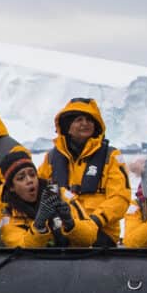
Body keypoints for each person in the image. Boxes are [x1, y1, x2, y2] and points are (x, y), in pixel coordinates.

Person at [43, 97, 131, 236]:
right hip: (63, 229)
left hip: (101, 231)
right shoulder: (51, 158)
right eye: (79, 120)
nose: (85, 124)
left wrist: (95, 220)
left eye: (89, 120)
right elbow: (40, 194)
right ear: (67, 126)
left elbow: (121, 198)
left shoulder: (111, 156)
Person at [0, 153, 100, 248]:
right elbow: (20, 248)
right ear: (11, 187)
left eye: (32, 174)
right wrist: (39, 225)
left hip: (71, 260)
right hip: (38, 265)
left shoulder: (61, 195)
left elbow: (90, 237)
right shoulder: (8, 215)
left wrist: (71, 223)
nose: (29, 180)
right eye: (21, 178)